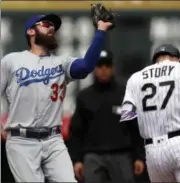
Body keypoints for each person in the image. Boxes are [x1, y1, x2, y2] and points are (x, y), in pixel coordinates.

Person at [0, 13, 113, 182]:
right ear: (31, 31)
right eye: (46, 24)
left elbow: (86, 66)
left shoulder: (61, 63)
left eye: (54, 26)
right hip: (21, 141)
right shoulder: (12, 61)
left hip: (53, 139)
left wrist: (101, 30)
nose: (52, 27)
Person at [66, 50, 146, 183]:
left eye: (107, 65)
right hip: (93, 156)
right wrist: (77, 160)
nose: (103, 69)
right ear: (94, 68)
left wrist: (139, 156)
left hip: (121, 155)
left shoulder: (124, 93)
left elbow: (135, 127)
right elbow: (76, 131)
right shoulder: (85, 96)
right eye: (100, 66)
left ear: (112, 67)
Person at [120, 44, 180, 182]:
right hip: (179, 142)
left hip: (152, 152)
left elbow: (127, 115)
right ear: (177, 59)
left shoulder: (135, 78)